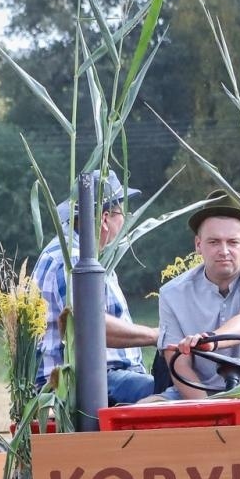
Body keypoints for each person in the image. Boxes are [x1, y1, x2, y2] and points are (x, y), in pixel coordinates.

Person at [34, 171, 160, 405]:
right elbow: (90, 325)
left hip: (104, 379)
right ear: (104, 219)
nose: (126, 220)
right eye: (123, 213)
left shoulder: (90, 258)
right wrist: (155, 335)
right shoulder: (71, 260)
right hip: (80, 385)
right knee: (170, 393)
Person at [158, 197, 240, 401]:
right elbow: (179, 364)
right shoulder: (171, 293)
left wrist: (211, 340)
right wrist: (208, 410)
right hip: (197, 394)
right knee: (137, 412)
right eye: (214, 242)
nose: (224, 251)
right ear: (198, 245)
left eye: (233, 242)